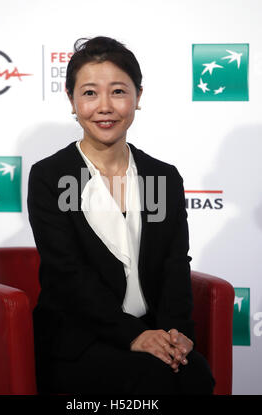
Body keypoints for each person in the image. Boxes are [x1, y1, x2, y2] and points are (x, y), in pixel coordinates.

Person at [27, 36, 215, 395]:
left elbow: (175, 264)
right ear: (71, 100)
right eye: (89, 93)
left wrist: (176, 334)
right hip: (79, 339)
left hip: (154, 330)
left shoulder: (162, 176)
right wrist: (133, 335)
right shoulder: (51, 176)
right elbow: (67, 276)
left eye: (117, 91)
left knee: (195, 376)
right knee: (150, 380)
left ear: (137, 97)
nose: (104, 107)